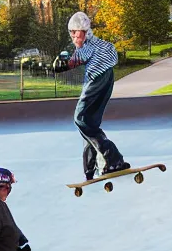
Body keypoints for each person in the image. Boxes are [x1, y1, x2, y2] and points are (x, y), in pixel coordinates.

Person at [53, 11, 130, 180]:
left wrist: (58, 65)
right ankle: (91, 167)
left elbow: (73, 62)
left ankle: (113, 158)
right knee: (90, 123)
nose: (73, 36)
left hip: (96, 80)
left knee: (80, 118)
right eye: (71, 33)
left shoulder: (88, 46)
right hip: (108, 80)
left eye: (75, 32)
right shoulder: (103, 44)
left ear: (85, 31)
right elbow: (112, 54)